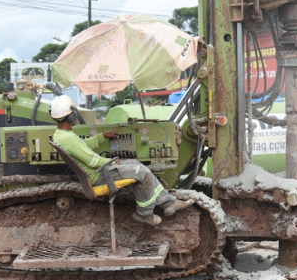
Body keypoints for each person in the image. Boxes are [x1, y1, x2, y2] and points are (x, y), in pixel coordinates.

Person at [49, 95, 194, 226]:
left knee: (135, 164)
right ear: (71, 116)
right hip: (99, 175)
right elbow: (93, 161)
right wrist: (114, 162)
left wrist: (102, 136)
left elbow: (83, 146)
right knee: (141, 171)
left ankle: (169, 203)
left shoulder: (61, 135)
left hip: (98, 171)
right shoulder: (68, 138)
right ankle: (144, 214)